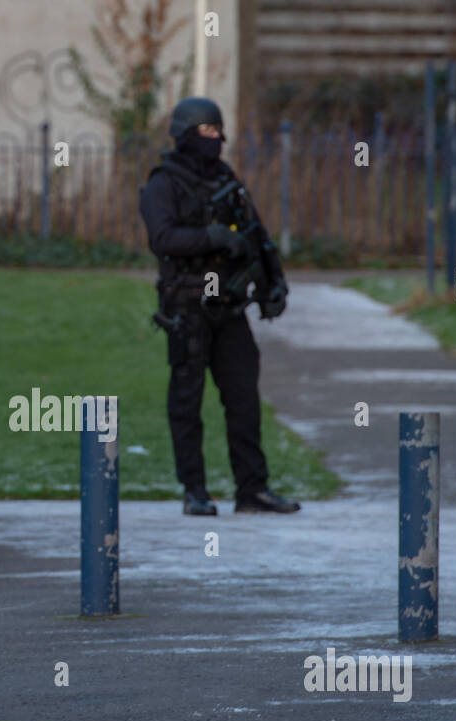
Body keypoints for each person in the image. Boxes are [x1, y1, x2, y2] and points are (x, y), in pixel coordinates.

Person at [138, 96, 301, 517]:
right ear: (186, 135)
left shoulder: (226, 179)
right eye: (207, 132)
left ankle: (253, 490)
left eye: (218, 131)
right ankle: (195, 491)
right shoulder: (164, 183)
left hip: (229, 307)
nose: (217, 139)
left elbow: (256, 235)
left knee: (244, 399)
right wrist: (211, 237)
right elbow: (162, 239)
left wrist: (274, 285)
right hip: (187, 307)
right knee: (187, 403)